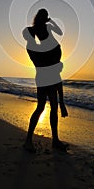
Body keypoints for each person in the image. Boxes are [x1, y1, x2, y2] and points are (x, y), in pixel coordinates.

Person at [22, 8, 68, 153]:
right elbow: (45, 65)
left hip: (51, 73)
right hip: (44, 77)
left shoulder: (43, 38)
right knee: (41, 107)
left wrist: (62, 103)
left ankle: (55, 140)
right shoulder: (33, 48)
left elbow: (57, 76)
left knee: (53, 107)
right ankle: (28, 140)